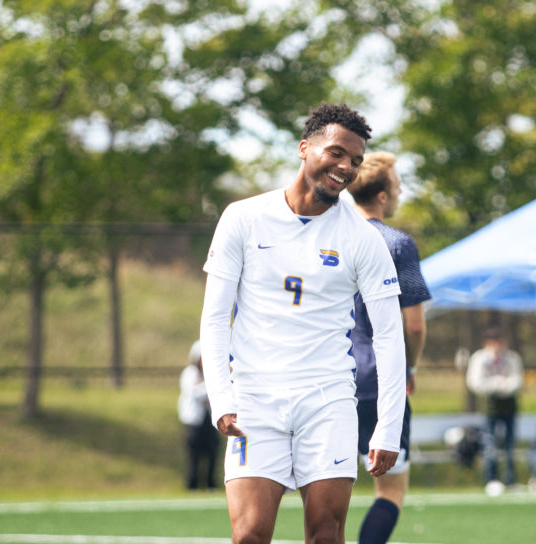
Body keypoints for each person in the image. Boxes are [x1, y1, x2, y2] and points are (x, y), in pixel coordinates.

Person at [199, 102, 407, 544]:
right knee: (250, 535)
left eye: (355, 160)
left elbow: (390, 335)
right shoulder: (242, 217)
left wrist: (387, 425)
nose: (345, 167)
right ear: (304, 148)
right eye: (336, 153)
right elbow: (216, 318)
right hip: (255, 401)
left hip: (328, 401)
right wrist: (222, 398)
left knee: (326, 535)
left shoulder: (363, 238)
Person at [346, 151, 431, 544]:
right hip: (381, 382)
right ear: (382, 195)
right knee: (391, 491)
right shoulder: (397, 244)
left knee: (326, 488)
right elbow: (413, 326)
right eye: (397, 186)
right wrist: (409, 369)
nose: (399, 193)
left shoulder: (333, 236)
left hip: (331, 378)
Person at [466, 327, 523, 488]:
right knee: (489, 445)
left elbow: (517, 381)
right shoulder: (479, 359)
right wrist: (496, 384)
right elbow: (476, 383)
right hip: (489, 408)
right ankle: (491, 480)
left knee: (510, 445)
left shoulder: (512, 358)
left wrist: (506, 386)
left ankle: (511, 480)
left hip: (509, 406)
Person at [178, 339, 219, 490]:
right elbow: (196, 393)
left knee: (212, 453)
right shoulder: (189, 374)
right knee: (194, 456)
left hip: (210, 420)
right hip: (194, 422)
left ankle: (211, 484)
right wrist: (213, 388)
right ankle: (192, 486)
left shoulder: (211, 374)